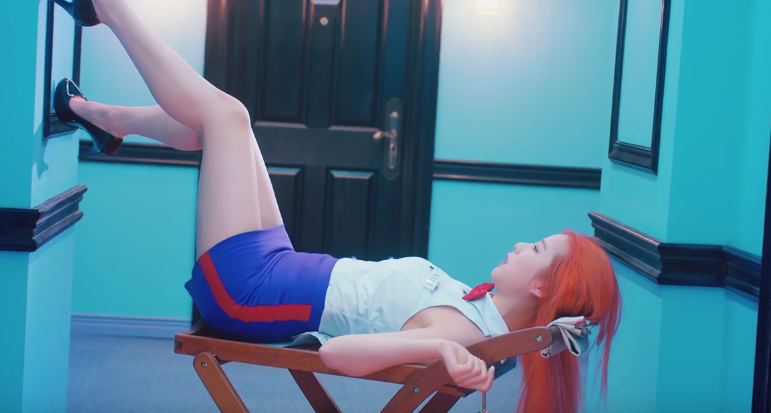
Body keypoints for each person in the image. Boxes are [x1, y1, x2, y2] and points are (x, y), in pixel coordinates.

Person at [53, 1, 622, 412]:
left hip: (248, 292)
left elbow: (339, 355)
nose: (522, 245)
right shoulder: (476, 313)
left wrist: (442, 346)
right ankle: (102, 119)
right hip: (279, 264)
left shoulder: (461, 334)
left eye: (536, 249)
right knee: (219, 127)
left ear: (543, 286)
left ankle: (108, 10)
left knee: (226, 116)